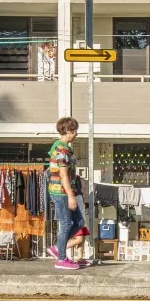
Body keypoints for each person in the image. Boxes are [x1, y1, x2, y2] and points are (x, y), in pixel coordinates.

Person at [46, 115, 88, 270]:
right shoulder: (62, 150)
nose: (76, 134)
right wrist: (71, 196)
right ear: (69, 130)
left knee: (79, 222)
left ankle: (58, 247)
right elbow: (63, 175)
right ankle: (61, 259)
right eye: (75, 131)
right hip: (61, 192)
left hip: (65, 191)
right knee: (65, 223)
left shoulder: (65, 149)